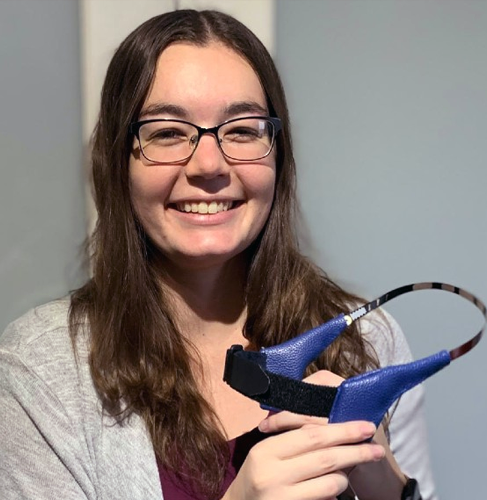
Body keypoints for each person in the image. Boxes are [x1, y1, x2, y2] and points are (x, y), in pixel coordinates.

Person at [0, 9, 436, 500]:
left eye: (243, 130)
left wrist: (386, 485)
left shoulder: (370, 342)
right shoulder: (40, 371)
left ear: (278, 156)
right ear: (117, 162)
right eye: (167, 132)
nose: (209, 164)